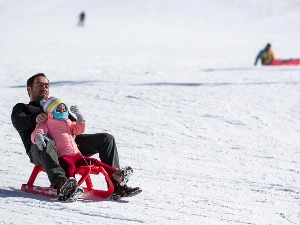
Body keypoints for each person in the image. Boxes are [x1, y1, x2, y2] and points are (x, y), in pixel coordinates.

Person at [11, 73, 140, 201]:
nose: (44, 88)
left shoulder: (55, 106)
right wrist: (35, 119)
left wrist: (79, 118)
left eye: (46, 85)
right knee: (47, 142)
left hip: (67, 147)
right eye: (39, 85)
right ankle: (63, 184)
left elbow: (73, 126)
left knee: (106, 138)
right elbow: (19, 122)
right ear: (29, 89)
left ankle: (116, 185)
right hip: (40, 149)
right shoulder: (23, 108)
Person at [30, 96, 133, 201]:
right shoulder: (46, 122)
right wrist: (38, 137)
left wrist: (79, 117)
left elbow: (78, 130)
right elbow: (38, 131)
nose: (62, 111)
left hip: (77, 155)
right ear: (51, 111)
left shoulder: (67, 121)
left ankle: (117, 174)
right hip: (63, 155)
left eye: (63, 108)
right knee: (69, 167)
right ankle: (69, 187)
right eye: (58, 109)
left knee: (94, 162)